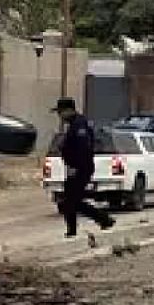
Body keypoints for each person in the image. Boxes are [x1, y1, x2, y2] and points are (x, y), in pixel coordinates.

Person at [53, 97, 115, 238]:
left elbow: (83, 148)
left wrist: (75, 166)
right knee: (70, 200)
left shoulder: (79, 125)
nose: (59, 116)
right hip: (76, 167)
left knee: (71, 200)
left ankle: (103, 219)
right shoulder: (74, 124)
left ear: (69, 110)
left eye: (60, 112)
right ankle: (77, 228)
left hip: (81, 168)